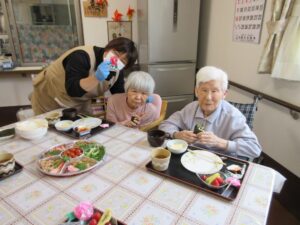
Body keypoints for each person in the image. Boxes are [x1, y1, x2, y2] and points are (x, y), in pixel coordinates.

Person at [159, 66, 262, 159]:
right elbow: (165, 125)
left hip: (220, 163)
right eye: (204, 90)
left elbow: (255, 149)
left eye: (214, 91)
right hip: (190, 158)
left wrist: (220, 142)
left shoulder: (233, 116)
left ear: (224, 94)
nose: (208, 97)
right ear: (196, 91)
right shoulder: (191, 108)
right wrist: (177, 134)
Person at [31, 37, 138, 115]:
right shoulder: (81, 56)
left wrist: (138, 98)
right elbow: (73, 89)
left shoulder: (117, 71)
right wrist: (96, 78)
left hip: (79, 103)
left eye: (123, 61)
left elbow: (119, 95)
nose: (116, 60)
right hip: (51, 96)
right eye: (116, 53)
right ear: (108, 48)